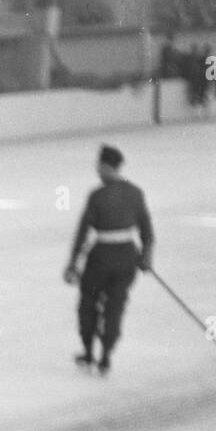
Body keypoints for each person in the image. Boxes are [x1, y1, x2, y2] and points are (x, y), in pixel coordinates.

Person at [63, 144, 153, 376]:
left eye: (98, 165)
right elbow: (147, 230)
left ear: (104, 166)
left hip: (101, 257)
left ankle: (88, 352)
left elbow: (83, 233)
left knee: (88, 304)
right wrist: (145, 257)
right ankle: (106, 357)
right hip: (127, 257)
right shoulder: (135, 192)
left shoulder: (97, 195)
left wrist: (73, 263)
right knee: (115, 307)